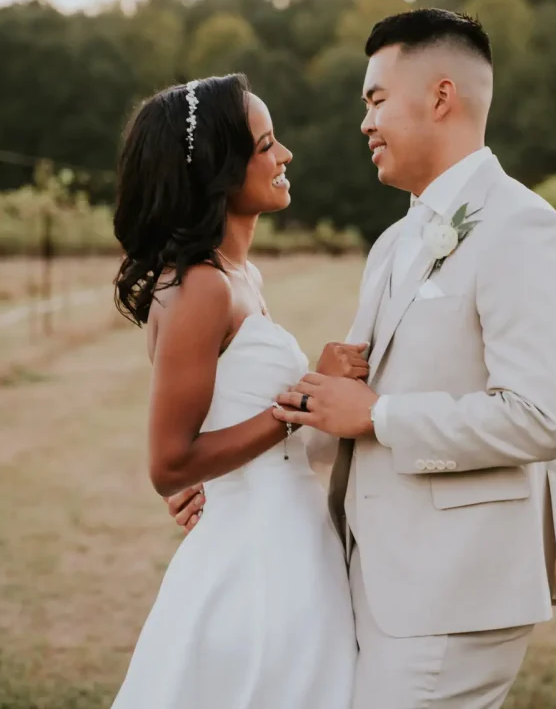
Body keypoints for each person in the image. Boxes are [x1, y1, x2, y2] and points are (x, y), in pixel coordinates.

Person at [174, 9, 556, 709]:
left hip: (455, 589)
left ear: (440, 97)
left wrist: (382, 414)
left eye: (376, 100)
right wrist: (229, 482)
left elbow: (539, 418)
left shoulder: (527, 231)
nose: (364, 123)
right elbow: (341, 413)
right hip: (376, 574)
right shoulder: (395, 243)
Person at [108, 74, 358, 708]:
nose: (285, 156)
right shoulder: (201, 287)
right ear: (219, 170)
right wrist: (303, 401)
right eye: (267, 144)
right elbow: (169, 463)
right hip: (258, 559)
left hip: (290, 532)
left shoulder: (242, 275)